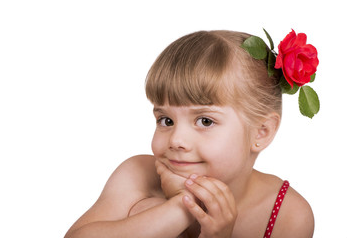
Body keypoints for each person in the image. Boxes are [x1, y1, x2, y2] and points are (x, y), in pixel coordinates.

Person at [64, 30, 316, 238]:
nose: (176, 140)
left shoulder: (287, 214)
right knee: (147, 209)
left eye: (205, 121)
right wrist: (180, 209)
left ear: (261, 132)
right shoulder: (137, 174)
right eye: (166, 120)